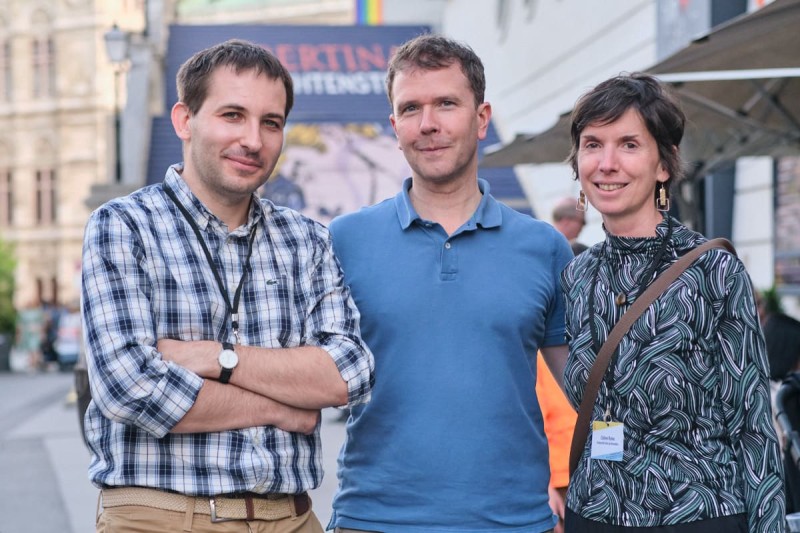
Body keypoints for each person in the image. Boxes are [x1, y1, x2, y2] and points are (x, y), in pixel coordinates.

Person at [81, 39, 374, 533]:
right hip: (162, 516)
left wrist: (216, 358)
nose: (254, 140)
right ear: (184, 120)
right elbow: (127, 386)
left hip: (291, 517)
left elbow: (348, 373)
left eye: (271, 122)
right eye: (232, 115)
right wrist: (283, 407)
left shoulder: (308, 240)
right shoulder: (123, 226)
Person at [327, 34, 573, 532]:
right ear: (395, 127)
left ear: (481, 119)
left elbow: (587, 389)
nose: (429, 124)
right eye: (411, 108)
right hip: (373, 519)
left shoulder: (544, 247)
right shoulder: (342, 240)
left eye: (446, 103)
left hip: (514, 521)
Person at [560, 72, 785, 531]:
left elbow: (754, 423)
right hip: (595, 514)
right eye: (592, 144)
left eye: (628, 144)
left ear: (664, 164)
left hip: (697, 513)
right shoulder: (577, 275)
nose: (607, 163)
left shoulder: (713, 271)